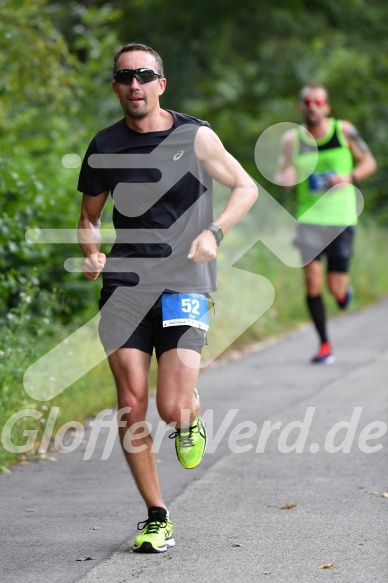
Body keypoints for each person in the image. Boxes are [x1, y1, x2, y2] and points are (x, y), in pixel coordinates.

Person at [77, 42, 258, 553]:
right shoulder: (104, 145)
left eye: (144, 75)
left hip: (185, 283)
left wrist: (215, 234)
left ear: (161, 83)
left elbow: (246, 188)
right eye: (124, 77)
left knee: (171, 406)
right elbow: (89, 219)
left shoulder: (195, 136)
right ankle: (157, 515)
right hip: (125, 288)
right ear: (115, 87)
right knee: (131, 405)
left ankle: (190, 417)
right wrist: (91, 253)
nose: (134, 84)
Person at [275, 82, 377, 364]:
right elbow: (283, 175)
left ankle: (344, 294)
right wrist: (286, 179)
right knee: (312, 282)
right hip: (310, 218)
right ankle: (324, 345)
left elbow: (369, 162)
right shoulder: (292, 140)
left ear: (327, 107)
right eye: (308, 102)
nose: (313, 106)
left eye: (318, 102)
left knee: (336, 287)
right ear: (300, 107)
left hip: (342, 218)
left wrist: (349, 178)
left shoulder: (343, 131)